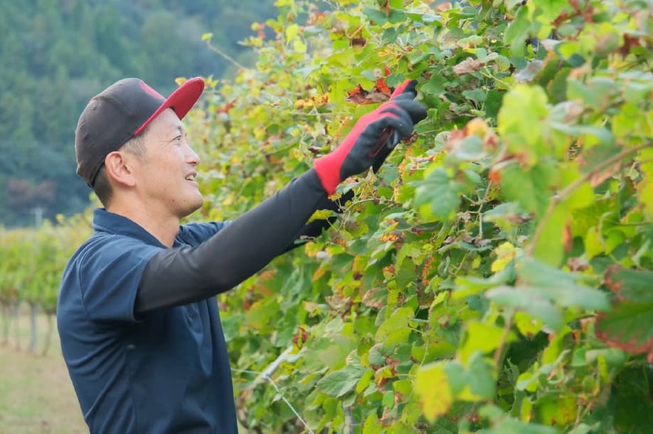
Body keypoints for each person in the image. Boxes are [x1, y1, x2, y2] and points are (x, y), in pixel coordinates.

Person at [56, 76, 427, 433]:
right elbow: (210, 269)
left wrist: (367, 165)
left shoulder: (180, 243)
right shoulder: (99, 264)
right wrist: (328, 168)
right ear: (122, 167)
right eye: (176, 142)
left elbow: (288, 229)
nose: (194, 157)